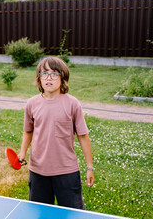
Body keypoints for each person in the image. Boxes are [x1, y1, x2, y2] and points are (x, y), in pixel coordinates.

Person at [18, 56, 95, 209]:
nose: (49, 78)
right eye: (44, 73)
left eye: (54, 73)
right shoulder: (31, 103)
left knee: (72, 215)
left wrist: (90, 167)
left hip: (67, 171)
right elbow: (28, 131)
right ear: (39, 78)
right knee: (40, 214)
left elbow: (83, 136)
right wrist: (22, 153)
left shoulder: (73, 103)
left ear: (63, 77)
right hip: (38, 171)